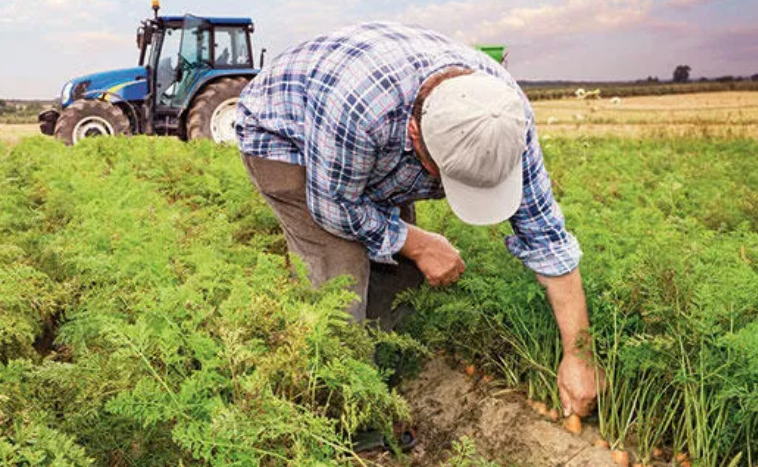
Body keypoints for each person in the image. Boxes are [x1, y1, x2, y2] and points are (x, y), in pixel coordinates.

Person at [234, 22, 599, 423]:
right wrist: (418, 242)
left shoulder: (504, 116)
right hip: (288, 138)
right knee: (340, 280)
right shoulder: (360, 109)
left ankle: (383, 369)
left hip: (367, 143)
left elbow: (545, 236)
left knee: (400, 273)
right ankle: (346, 415)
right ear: (415, 133)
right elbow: (334, 208)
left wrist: (579, 355)